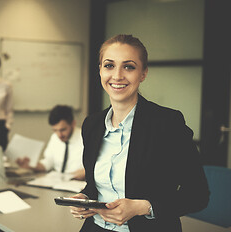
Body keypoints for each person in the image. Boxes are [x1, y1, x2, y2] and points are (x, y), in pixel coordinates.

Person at [69, 34, 209, 232]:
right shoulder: (91, 125)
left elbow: (198, 195)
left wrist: (143, 207)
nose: (117, 75)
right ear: (100, 70)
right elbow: (95, 186)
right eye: (109, 65)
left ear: (143, 73)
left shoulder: (168, 124)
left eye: (129, 66)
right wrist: (85, 199)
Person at [17, 105, 85, 180]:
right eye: (55, 130)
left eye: (63, 130)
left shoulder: (86, 138)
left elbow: (98, 166)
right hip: (57, 182)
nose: (59, 135)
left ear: (73, 124)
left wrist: (86, 172)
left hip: (78, 183)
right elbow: (48, 163)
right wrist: (31, 165)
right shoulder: (54, 137)